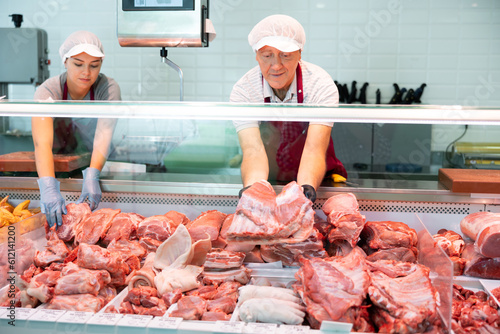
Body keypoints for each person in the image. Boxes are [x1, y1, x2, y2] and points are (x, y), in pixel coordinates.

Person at [230, 15, 347, 203]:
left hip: (318, 183)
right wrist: (254, 192)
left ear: (300, 54)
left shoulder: (319, 84)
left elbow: (314, 149)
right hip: (269, 181)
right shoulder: (245, 90)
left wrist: (305, 191)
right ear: (256, 56)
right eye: (267, 56)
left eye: (286, 55)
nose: (276, 66)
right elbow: (253, 150)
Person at [32, 30, 121, 228]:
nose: (86, 73)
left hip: (96, 167)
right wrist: (47, 186)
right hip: (57, 169)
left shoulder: (107, 88)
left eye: (94, 66)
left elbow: (104, 135)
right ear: (65, 61)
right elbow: (42, 143)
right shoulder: (48, 91)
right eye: (78, 64)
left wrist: (92, 174)